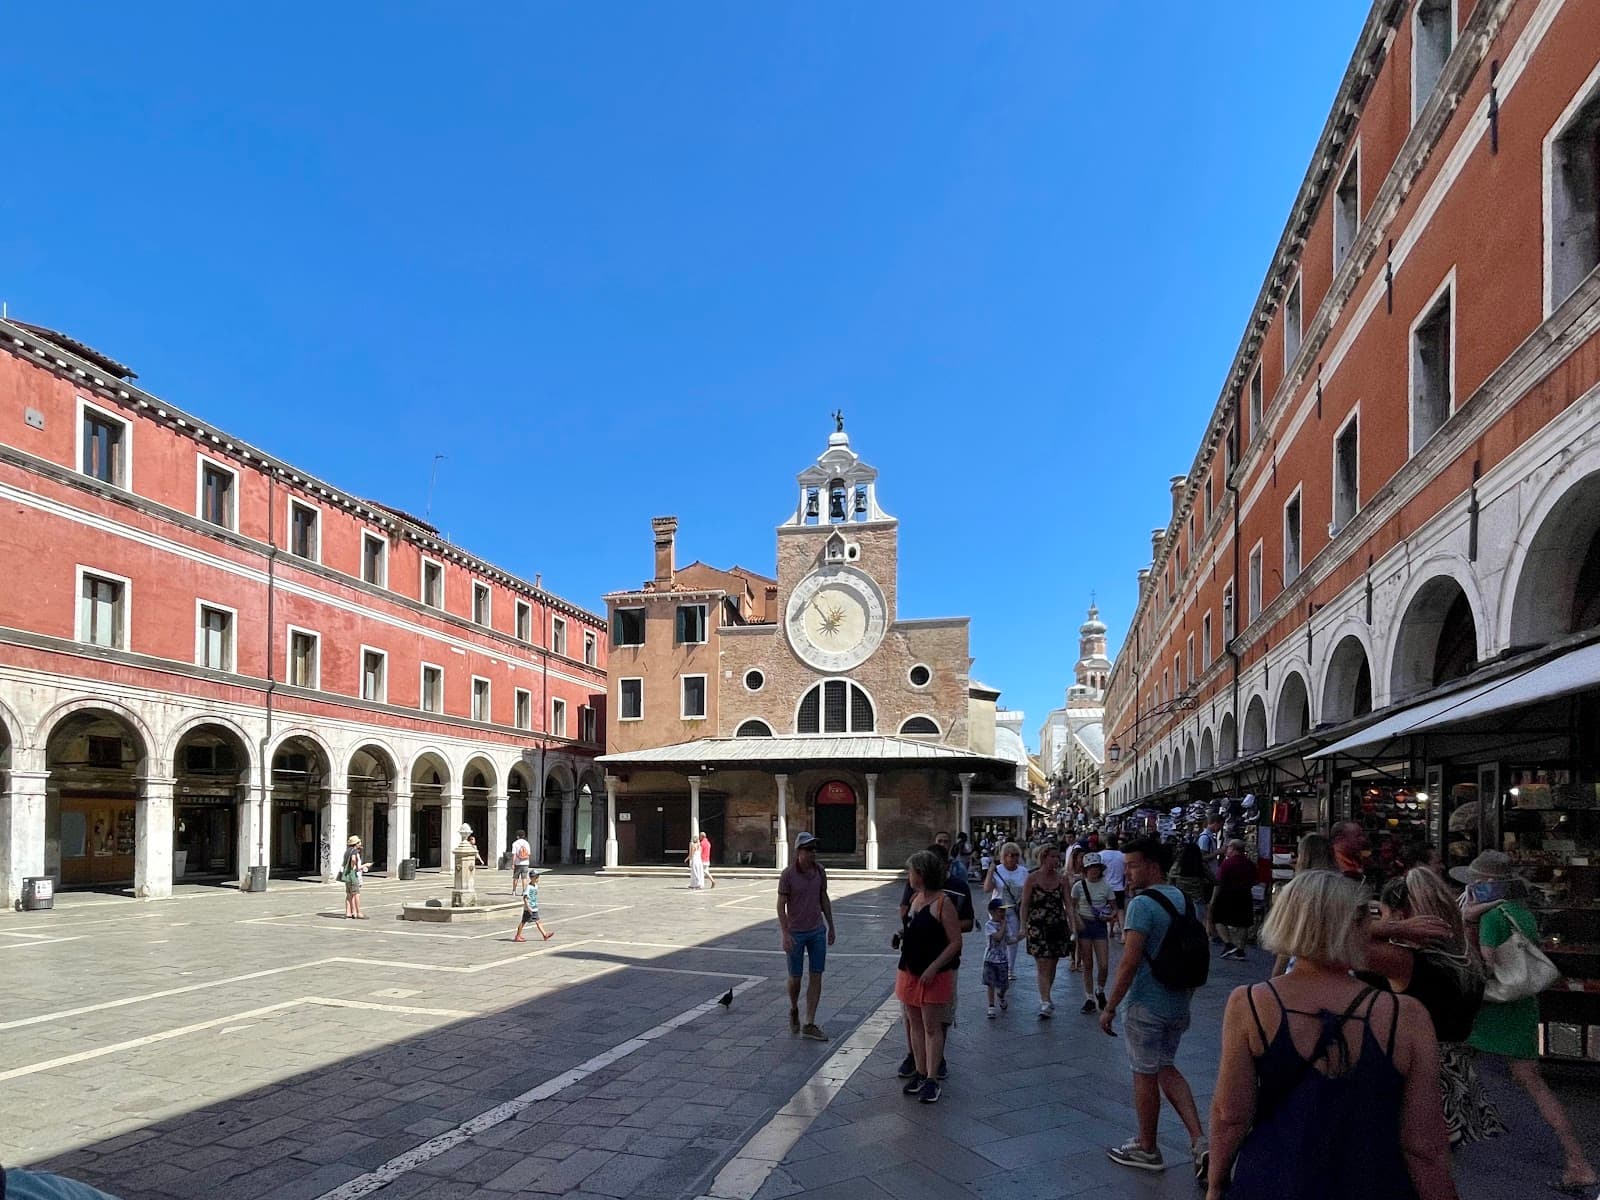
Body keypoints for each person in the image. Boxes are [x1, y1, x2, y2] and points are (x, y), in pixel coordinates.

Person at [1205, 871, 1458, 1200]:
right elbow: (1425, 1144)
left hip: (1274, 1177)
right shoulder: (1405, 1015)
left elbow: (1230, 1115)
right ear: (1355, 926)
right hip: (1373, 1180)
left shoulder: (1251, 1003)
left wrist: (1216, 1184)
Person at [1455, 851, 1596, 1193]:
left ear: (1487, 884)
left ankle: (1577, 1161)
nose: (1469, 887)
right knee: (1526, 1077)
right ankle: (1575, 1160)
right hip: (1521, 1007)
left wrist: (1466, 924)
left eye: (1474, 881)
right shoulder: (1518, 912)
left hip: (1494, 1009)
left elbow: (1483, 968)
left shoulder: (1488, 919)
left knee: (1452, 1058)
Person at [1364, 869, 1501, 1147]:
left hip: (1410, 1074)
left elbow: (1326, 942)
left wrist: (1390, 929)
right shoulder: (1462, 956)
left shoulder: (1405, 962)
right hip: (1454, 1073)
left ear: (1402, 916)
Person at [1100, 836, 1207, 1177]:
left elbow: (1129, 963)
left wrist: (1110, 1006)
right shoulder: (1184, 900)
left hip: (1147, 1005)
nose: (1126, 872)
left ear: (1152, 866)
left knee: (1144, 1076)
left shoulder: (1142, 905)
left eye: (1132, 865)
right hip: (1179, 1003)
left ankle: (1148, 1148)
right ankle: (1200, 1141)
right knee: (1166, 1069)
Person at [896, 838, 974, 1081]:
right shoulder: (914, 899)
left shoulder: (944, 902)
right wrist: (899, 935)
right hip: (909, 969)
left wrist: (933, 967)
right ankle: (920, 1071)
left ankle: (932, 1076)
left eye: (911, 871)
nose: (908, 876)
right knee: (914, 1023)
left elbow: (955, 941)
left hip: (934, 972)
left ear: (922, 874)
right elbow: (912, 928)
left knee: (932, 1026)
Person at [778, 831, 835, 1041]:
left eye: (814, 849)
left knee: (816, 974)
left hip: (816, 930)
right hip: (795, 932)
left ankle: (809, 1022)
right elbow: (780, 905)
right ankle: (794, 1008)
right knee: (795, 979)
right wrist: (785, 933)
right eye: (809, 849)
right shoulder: (788, 875)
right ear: (799, 852)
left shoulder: (820, 871)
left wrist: (831, 925)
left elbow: (824, 898)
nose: (813, 853)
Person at [1019, 844, 1072, 1018]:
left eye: (1058, 857)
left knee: (1053, 963)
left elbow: (1068, 904)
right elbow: (1025, 904)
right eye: (1053, 857)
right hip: (1037, 926)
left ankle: (1046, 996)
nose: (1056, 860)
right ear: (1044, 857)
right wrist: (1023, 925)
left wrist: (1073, 924)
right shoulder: (1032, 878)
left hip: (1057, 925)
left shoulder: (1063, 879)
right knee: (1042, 963)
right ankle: (1045, 1001)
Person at [1072, 852, 1114, 1014]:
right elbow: (1072, 907)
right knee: (1087, 963)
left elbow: (1114, 906)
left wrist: (1110, 915)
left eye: (1096, 867)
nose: (1093, 871)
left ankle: (1100, 990)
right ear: (1085, 870)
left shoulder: (1106, 886)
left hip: (1099, 925)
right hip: (1084, 925)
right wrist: (1077, 921)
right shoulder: (1078, 886)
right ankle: (1089, 997)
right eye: (1090, 868)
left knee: (1103, 964)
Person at [983, 842, 1028, 982]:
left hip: (1014, 909)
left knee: (1012, 939)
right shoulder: (997, 870)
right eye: (1009, 855)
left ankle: (1010, 969)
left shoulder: (1023, 871)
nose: (1012, 857)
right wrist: (990, 872)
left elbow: (1026, 891)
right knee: (996, 938)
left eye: (1015, 855)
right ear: (1003, 856)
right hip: (998, 909)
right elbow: (987, 889)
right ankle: (993, 963)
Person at [1211, 840, 1257, 960]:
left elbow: (1219, 880)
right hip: (1245, 894)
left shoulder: (1227, 864)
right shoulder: (1249, 864)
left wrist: (1214, 898)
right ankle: (1240, 950)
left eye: (1228, 847)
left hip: (1227, 894)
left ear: (1233, 848)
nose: (1227, 849)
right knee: (1243, 923)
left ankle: (1228, 944)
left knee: (1219, 919)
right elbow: (1255, 879)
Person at [983, 897, 1013, 1017]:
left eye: (1004, 911)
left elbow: (1009, 940)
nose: (1003, 914)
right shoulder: (989, 925)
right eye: (1000, 911)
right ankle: (991, 1006)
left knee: (1004, 984)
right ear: (992, 912)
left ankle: (1001, 995)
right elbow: (998, 937)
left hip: (1003, 959)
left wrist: (1021, 936)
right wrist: (1004, 926)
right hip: (990, 959)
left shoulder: (1005, 926)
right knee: (990, 983)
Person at [1097, 835, 1128, 939]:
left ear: (1107, 843)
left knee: (1105, 909)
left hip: (1104, 887)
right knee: (1120, 910)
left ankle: (1109, 931)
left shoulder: (1100, 855)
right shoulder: (1123, 856)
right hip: (1119, 887)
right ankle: (1123, 933)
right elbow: (1126, 873)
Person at [513, 867, 552, 941]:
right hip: (529, 908)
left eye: (538, 877)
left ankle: (545, 935)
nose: (538, 879)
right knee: (523, 922)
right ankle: (518, 936)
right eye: (536, 877)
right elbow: (525, 898)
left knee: (538, 921)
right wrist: (528, 907)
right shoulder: (529, 887)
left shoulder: (536, 886)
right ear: (532, 878)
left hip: (534, 907)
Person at [341, 835, 366, 920]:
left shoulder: (347, 851)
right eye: (359, 842)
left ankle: (348, 912)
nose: (360, 843)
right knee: (356, 894)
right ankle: (358, 912)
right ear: (356, 844)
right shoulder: (354, 851)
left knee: (349, 894)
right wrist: (354, 866)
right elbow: (353, 859)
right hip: (352, 875)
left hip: (347, 876)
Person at [510, 829, 532, 896]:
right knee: (524, 878)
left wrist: (513, 863)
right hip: (525, 863)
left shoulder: (515, 843)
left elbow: (514, 854)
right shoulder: (527, 843)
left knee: (515, 877)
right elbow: (529, 854)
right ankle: (524, 891)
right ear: (524, 836)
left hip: (518, 863)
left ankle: (514, 891)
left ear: (517, 836)